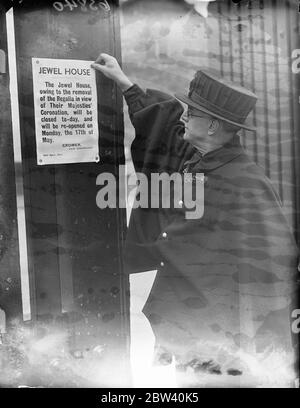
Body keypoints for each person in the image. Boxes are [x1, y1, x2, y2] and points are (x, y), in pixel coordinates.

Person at [92, 54, 299, 387]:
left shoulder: (242, 183)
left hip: (224, 342)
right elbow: (167, 128)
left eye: (191, 112)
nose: (183, 117)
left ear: (213, 126)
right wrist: (125, 84)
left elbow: (274, 266)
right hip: (196, 333)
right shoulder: (203, 160)